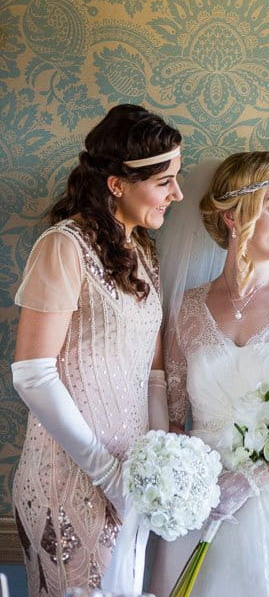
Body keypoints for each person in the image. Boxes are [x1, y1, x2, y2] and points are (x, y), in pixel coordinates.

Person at [150, 150, 269, 597]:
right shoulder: (186, 309)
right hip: (200, 506)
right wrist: (182, 485)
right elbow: (173, 420)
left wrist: (250, 480)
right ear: (233, 216)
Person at [12, 103, 183, 597]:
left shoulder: (143, 253)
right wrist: (106, 472)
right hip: (70, 476)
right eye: (164, 181)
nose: (176, 193)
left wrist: (155, 463)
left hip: (133, 481)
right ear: (117, 184)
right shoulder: (63, 246)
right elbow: (32, 373)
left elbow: (151, 373)